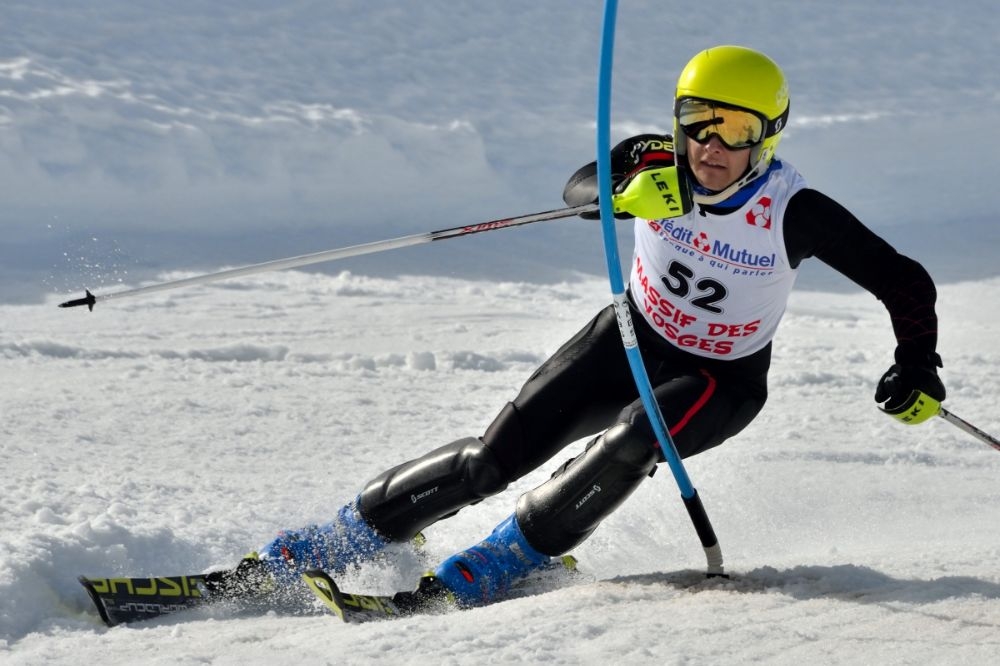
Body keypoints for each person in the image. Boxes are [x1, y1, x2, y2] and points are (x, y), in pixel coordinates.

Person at [244, 45, 947, 606]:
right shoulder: (656, 161)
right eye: (696, 118)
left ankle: (510, 557)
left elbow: (904, 281)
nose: (709, 144)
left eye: (735, 129)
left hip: (718, 378)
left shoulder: (793, 209)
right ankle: (342, 536)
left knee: (635, 437)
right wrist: (618, 191)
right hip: (626, 338)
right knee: (490, 460)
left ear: (767, 138)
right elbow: (581, 186)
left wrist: (917, 364)